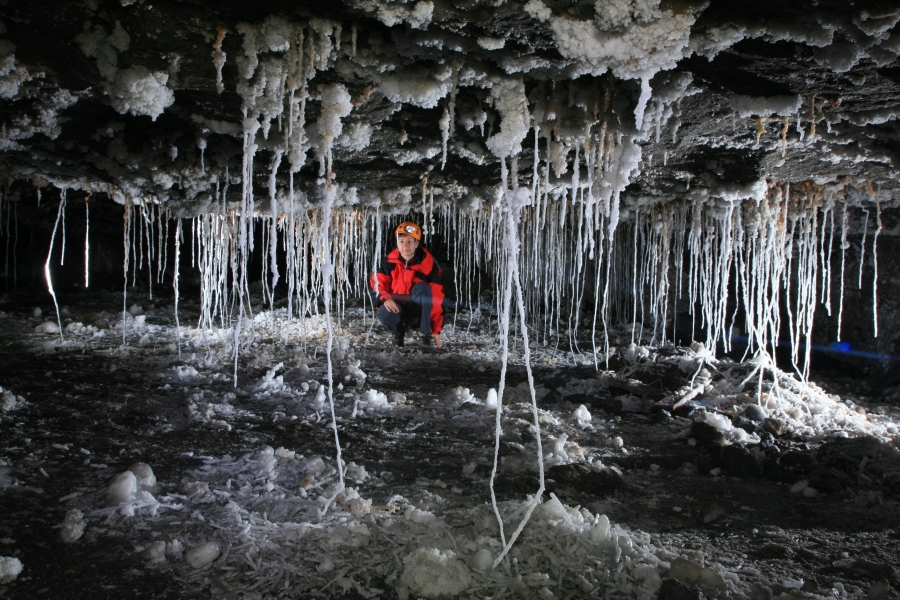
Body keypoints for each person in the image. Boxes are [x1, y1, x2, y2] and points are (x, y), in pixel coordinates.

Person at [370, 221, 445, 348]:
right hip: (396, 308)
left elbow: (437, 298)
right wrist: (385, 298)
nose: (405, 245)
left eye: (410, 241)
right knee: (385, 311)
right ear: (397, 243)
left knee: (423, 288)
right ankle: (398, 334)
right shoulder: (387, 262)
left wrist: (436, 329)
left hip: (417, 313)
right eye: (401, 241)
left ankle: (425, 334)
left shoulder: (429, 265)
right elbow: (377, 285)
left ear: (416, 243)